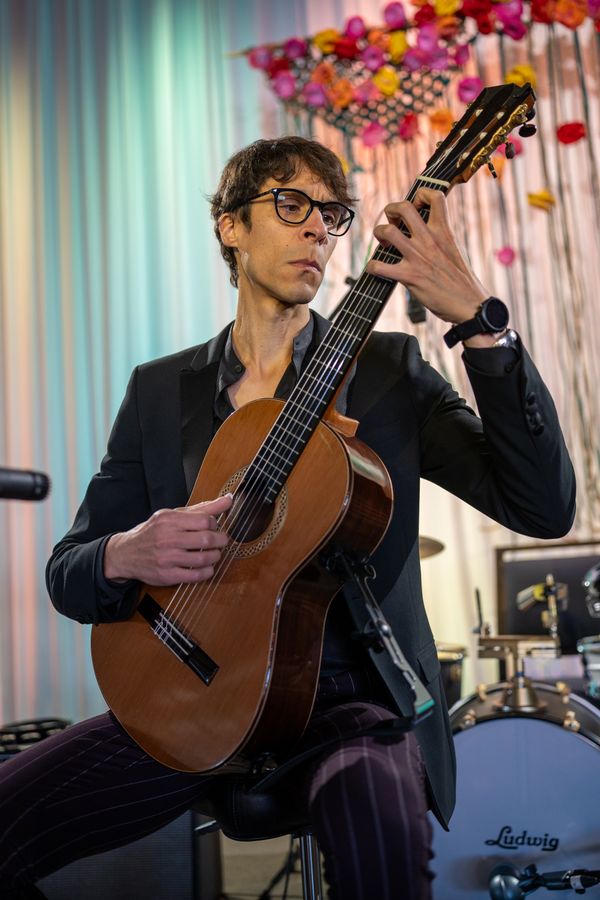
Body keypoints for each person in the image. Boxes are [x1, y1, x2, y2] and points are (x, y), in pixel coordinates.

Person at [0, 136, 575, 900]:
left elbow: (543, 506)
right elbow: (68, 572)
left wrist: (481, 326)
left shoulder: (390, 373)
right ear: (230, 225)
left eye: (332, 214)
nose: (316, 228)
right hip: (192, 696)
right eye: (291, 203)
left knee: (380, 843)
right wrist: (122, 553)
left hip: (353, 704)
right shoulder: (159, 392)